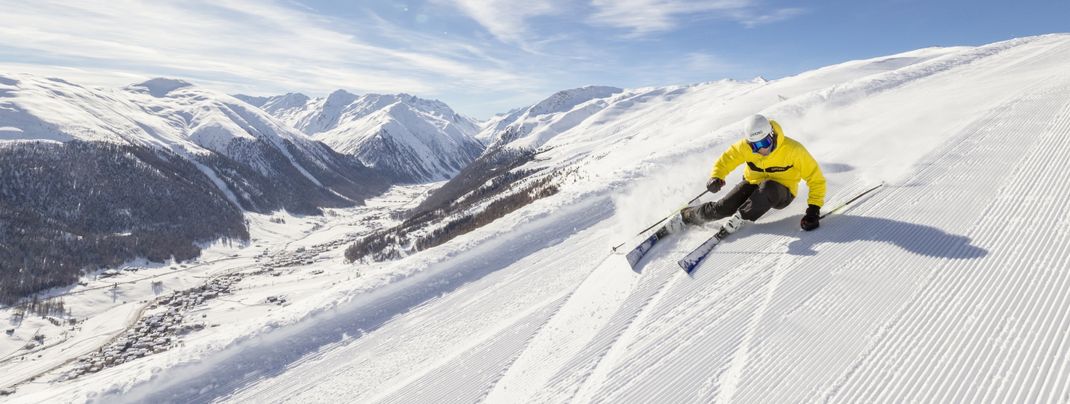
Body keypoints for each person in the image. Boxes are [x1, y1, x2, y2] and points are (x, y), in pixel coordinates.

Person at [674, 114, 826, 234]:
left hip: (782, 192)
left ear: (772, 135)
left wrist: (813, 209)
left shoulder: (794, 150)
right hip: (753, 183)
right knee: (723, 208)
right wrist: (716, 176)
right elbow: (727, 159)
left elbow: (816, 179)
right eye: (755, 145)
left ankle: (742, 217)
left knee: (768, 187)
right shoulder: (744, 147)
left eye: (765, 143)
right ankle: (688, 215)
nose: (762, 149)